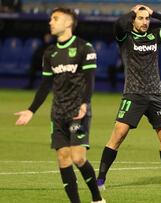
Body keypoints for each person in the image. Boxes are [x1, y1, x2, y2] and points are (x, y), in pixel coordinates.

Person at [14, 7, 105, 203]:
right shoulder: (50, 53)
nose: (50, 22)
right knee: (63, 158)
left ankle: (97, 199)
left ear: (68, 23)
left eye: (55, 18)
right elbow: (46, 84)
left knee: (78, 158)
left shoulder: (84, 48)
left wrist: (84, 103)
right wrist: (31, 110)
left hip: (77, 113)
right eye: (50, 19)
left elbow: (90, 80)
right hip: (57, 114)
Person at [96, 5, 161, 190]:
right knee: (118, 135)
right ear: (133, 20)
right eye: (140, 18)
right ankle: (100, 181)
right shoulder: (125, 37)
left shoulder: (154, 35)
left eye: (147, 18)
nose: (145, 22)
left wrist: (154, 13)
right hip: (133, 94)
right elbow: (118, 24)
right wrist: (133, 11)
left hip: (156, 95)